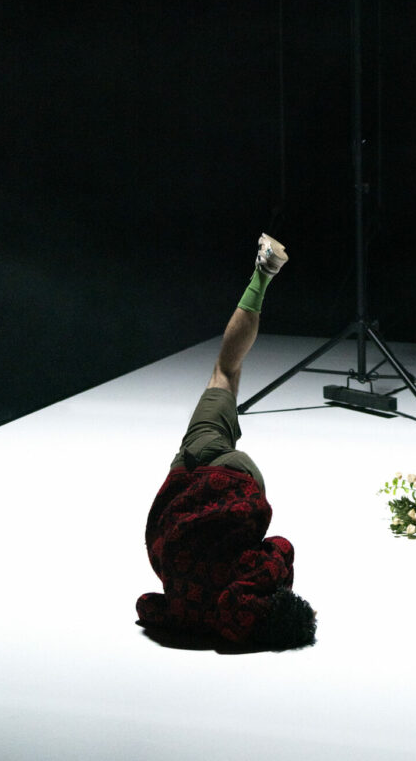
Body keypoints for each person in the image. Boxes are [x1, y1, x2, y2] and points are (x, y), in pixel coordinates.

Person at [136, 234, 317, 650]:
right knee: (224, 375)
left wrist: (278, 589)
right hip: (188, 473)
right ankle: (262, 273)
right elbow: (146, 605)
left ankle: (263, 272)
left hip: (236, 481)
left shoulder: (257, 579)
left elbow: (281, 546)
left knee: (226, 373)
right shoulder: (187, 617)